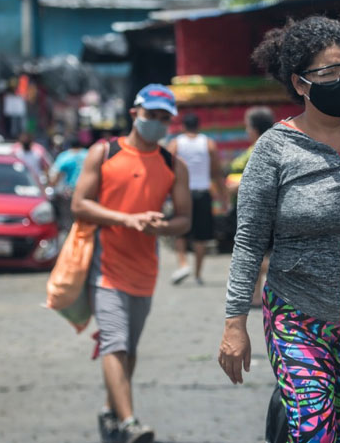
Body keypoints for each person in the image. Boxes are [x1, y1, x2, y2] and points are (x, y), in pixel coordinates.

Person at [218, 16, 340, 442]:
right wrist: (234, 323)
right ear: (301, 83)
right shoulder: (273, 149)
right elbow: (248, 241)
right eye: (329, 72)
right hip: (297, 317)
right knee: (312, 431)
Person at [72, 84, 192, 443]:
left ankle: (111, 410)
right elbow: (80, 204)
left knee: (130, 349)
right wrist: (125, 219)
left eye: (163, 118)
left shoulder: (173, 165)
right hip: (105, 265)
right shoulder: (104, 152)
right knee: (115, 343)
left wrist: (160, 225)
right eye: (150, 115)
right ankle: (129, 423)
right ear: (134, 114)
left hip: (145, 269)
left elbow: (184, 220)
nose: (156, 123)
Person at [167, 113, 227, 285]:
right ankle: (198, 274)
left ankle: (183, 263)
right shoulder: (208, 143)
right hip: (202, 192)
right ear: (199, 126)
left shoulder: (175, 143)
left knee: (180, 230)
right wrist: (223, 197)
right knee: (201, 235)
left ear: (183, 126)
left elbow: (167, 168)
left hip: (182, 191)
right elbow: (216, 172)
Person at [227, 106, 276, 307]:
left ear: (254, 128)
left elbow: (266, 179)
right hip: (251, 209)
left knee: (255, 255)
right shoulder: (264, 146)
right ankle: (255, 295)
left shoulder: (263, 148)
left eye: (248, 126)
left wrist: (237, 184)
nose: (246, 130)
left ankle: (259, 293)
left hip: (258, 211)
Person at [50, 137, 89, 230]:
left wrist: (52, 186)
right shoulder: (88, 154)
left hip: (69, 192)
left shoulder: (65, 156)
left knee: (68, 220)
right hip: (87, 191)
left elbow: (56, 175)